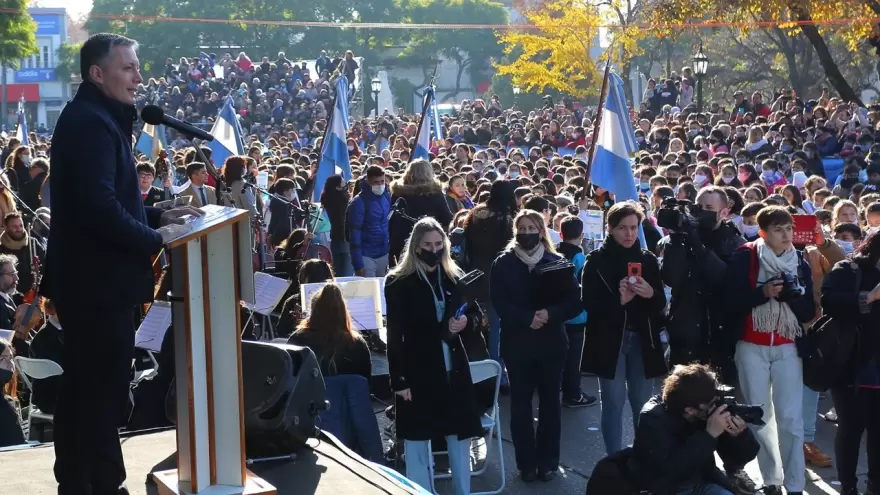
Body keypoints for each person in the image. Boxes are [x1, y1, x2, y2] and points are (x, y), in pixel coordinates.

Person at [42, 33, 201, 495]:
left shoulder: (97, 118)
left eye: (137, 66)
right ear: (97, 73)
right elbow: (97, 208)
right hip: (96, 286)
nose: (138, 76)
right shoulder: (91, 122)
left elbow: (109, 199)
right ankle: (95, 484)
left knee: (95, 392)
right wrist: (157, 237)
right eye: (127, 67)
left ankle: (91, 482)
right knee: (97, 395)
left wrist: (159, 213)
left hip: (97, 283)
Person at [385, 217, 484, 495]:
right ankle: (419, 491)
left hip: (454, 367)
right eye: (427, 244)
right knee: (417, 439)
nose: (434, 249)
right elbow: (394, 334)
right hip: (418, 367)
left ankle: (462, 491)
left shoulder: (454, 275)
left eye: (439, 244)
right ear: (415, 247)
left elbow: (476, 315)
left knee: (459, 436)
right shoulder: (398, 282)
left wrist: (466, 323)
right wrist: (399, 379)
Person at [726, 206, 816, 495]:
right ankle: (771, 481)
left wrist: (791, 296)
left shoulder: (799, 262)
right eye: (778, 229)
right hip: (752, 344)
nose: (786, 235)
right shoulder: (745, 256)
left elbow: (808, 312)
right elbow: (730, 302)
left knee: (791, 418)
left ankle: (795, 483)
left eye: (789, 228)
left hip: (788, 346)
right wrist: (762, 294)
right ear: (763, 232)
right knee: (760, 416)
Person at [490, 209, 581, 482]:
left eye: (533, 227)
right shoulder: (503, 263)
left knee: (551, 403)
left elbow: (574, 301)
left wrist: (549, 314)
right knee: (520, 405)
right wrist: (526, 318)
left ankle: (548, 462)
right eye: (522, 227)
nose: (527, 233)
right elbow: (499, 301)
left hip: (552, 343)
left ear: (542, 231)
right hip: (518, 343)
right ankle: (526, 464)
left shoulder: (558, 261)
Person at [582, 201, 668, 455]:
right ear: (610, 228)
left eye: (634, 227)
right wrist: (618, 301)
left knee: (643, 404)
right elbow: (588, 303)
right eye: (622, 228)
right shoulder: (596, 261)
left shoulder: (648, 260)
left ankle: (642, 460)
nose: (629, 234)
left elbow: (660, 304)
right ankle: (615, 462)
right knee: (613, 402)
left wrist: (650, 292)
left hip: (643, 340)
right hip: (610, 341)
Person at [632, 363, 760, 495]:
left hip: (702, 483)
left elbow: (737, 461)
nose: (715, 407)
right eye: (710, 404)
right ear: (690, 410)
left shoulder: (705, 411)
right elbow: (668, 471)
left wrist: (739, 436)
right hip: (666, 489)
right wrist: (709, 435)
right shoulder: (653, 418)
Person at [820, 228, 880, 495]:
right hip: (852, 362)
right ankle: (848, 486)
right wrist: (869, 297)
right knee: (851, 427)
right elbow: (829, 302)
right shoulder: (849, 269)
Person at [288, 283, 371, 381]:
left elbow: (288, 377)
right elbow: (366, 383)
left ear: (314, 311)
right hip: (345, 396)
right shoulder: (357, 344)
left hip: (310, 396)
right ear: (343, 311)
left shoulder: (297, 340)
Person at [555, 215, 597, 408]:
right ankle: (574, 393)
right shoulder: (580, 256)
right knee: (574, 359)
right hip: (578, 315)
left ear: (561, 233)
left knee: (562, 356)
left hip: (559, 312)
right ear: (582, 235)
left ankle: (561, 389)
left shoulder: (555, 252)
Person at [388, 160, 453, 265]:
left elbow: (392, 221)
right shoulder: (435, 193)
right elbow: (446, 218)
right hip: (427, 245)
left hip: (400, 243)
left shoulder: (398, 192)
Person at [348, 165, 392, 277]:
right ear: (368, 181)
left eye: (382, 181)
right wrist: (358, 264)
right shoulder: (358, 202)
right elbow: (354, 234)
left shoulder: (386, 196)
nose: (380, 185)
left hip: (383, 253)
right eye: (376, 182)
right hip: (366, 255)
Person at [0, 211, 45, 295]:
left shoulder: (33, 244)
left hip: (34, 295)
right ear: (6, 228)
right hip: (10, 295)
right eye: (15, 226)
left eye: (21, 225)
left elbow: (45, 267)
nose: (19, 229)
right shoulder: (2, 250)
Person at [320, 174, 353, 277]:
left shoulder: (328, 200)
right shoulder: (344, 201)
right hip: (345, 239)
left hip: (334, 238)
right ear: (337, 187)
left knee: (338, 272)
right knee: (347, 273)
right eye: (343, 183)